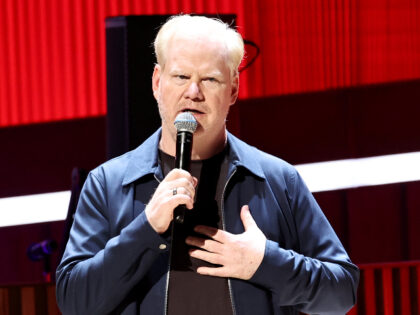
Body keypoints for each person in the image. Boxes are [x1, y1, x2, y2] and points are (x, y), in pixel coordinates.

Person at [56, 14, 359, 315]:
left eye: (210, 79)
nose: (193, 92)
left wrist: (265, 263)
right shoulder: (108, 184)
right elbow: (74, 301)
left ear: (233, 89)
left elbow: (342, 291)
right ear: (157, 82)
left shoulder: (278, 180)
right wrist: (145, 229)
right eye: (181, 77)